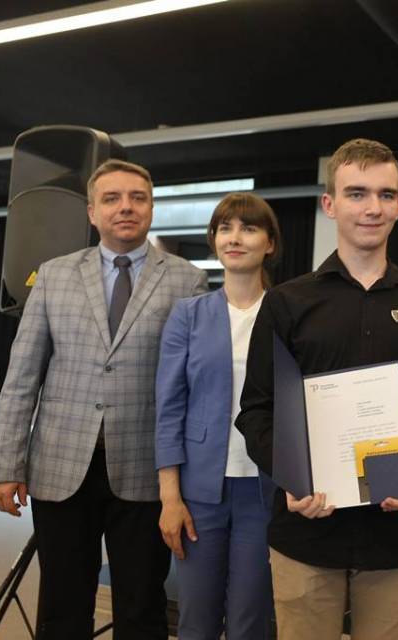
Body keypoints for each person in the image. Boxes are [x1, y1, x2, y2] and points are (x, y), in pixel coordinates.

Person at [235, 138, 398, 640]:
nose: (372, 207)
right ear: (330, 204)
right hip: (307, 529)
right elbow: (256, 411)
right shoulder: (287, 303)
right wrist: (290, 477)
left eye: (385, 194)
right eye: (357, 193)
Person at [0, 159, 208, 640]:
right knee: (62, 606)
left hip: (146, 470)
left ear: (151, 208)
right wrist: (5, 463)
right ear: (92, 212)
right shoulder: (54, 275)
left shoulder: (187, 280)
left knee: (142, 606)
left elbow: (193, 387)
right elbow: (22, 375)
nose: (125, 207)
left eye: (137, 198)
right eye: (112, 199)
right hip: (61, 466)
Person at [154, 193, 280, 639]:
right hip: (198, 491)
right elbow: (169, 409)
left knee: (251, 621)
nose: (235, 238)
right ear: (214, 240)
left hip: (264, 490)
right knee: (196, 620)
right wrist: (170, 498)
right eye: (225, 228)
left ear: (270, 243)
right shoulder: (188, 315)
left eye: (248, 228)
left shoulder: (287, 313)